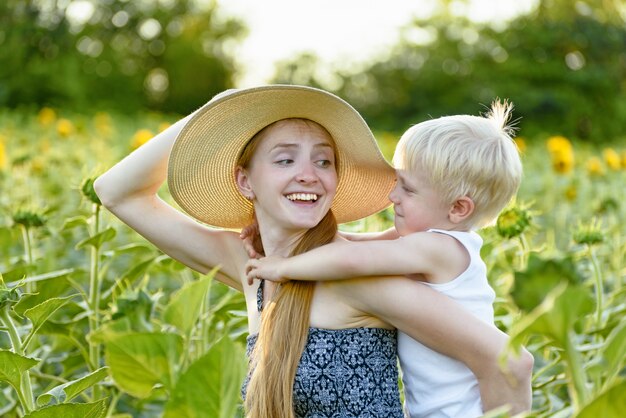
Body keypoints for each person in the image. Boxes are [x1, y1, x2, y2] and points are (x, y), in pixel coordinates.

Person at [94, 85, 532, 418]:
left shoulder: (359, 279)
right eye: (285, 160)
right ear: (245, 181)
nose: (308, 174)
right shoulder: (254, 266)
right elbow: (116, 192)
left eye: (323, 162)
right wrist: (218, 110)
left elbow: (509, 365)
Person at [244, 100, 523, 417]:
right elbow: (358, 244)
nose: (393, 197)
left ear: (458, 208)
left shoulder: (438, 248)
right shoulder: (428, 241)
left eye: (408, 189)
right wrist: (281, 236)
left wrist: (282, 266)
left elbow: (353, 260)